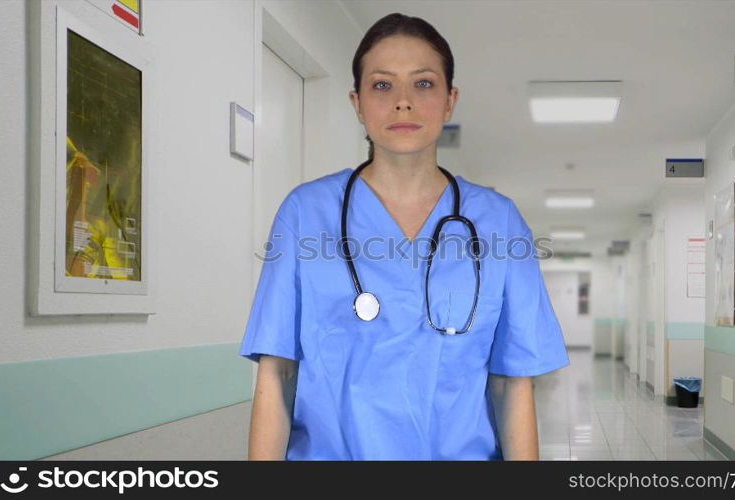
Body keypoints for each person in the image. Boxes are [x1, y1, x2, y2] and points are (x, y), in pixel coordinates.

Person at [239, 12, 569, 461]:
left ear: (450, 100)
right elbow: (277, 374)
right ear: (357, 103)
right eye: (381, 85)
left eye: (424, 83)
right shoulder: (305, 213)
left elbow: (513, 383)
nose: (403, 102)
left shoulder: (499, 223)